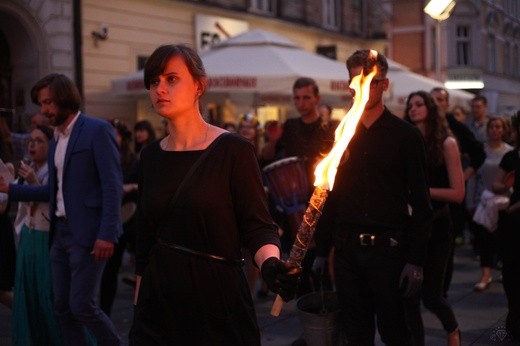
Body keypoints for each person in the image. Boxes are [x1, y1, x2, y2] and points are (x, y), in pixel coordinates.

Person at [129, 44, 300, 345]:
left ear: (199, 85)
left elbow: (258, 226)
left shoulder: (234, 150)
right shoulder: (151, 157)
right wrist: (138, 311)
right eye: (154, 81)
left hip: (217, 302)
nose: (160, 89)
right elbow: (144, 243)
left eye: (171, 78)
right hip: (160, 305)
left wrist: (272, 265)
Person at [312, 49, 432, 345]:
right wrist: (320, 249)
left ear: (385, 84)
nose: (366, 87)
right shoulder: (339, 134)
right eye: (358, 80)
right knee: (355, 332)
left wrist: (416, 260)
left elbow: (421, 203)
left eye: (374, 81)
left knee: (395, 331)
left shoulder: (405, 136)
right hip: (348, 250)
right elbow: (330, 195)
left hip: (390, 252)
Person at [0, 73, 124, 346]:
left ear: (65, 98)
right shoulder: (56, 138)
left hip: (89, 234)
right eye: (41, 103)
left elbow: (112, 186)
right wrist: (12, 189)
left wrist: (106, 234)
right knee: (62, 308)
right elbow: (51, 191)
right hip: (60, 233)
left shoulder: (96, 130)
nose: (44, 109)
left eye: (49, 102)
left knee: (82, 305)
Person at [261, 77, 335, 298]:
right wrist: (273, 140)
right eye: (297, 98)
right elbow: (266, 156)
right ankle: (308, 326)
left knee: (322, 268)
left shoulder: (329, 128)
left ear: (317, 99)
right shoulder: (290, 126)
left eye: (306, 97)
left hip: (323, 204)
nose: (301, 102)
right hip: (294, 207)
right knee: (298, 268)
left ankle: (327, 325)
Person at [404, 90, 464, 346]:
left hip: (438, 226)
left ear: (430, 108)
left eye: (419, 104)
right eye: (410, 106)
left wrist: (422, 192)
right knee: (408, 295)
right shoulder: (407, 141)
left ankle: (453, 331)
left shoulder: (446, 143)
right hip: (411, 227)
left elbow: (458, 193)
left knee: (431, 296)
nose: (413, 109)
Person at [430, 87, 486, 297]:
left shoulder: (456, 128)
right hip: (428, 194)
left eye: (439, 100)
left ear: (446, 104)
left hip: (450, 196)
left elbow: (478, 153)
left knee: (447, 244)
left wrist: (464, 175)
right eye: (432, 99)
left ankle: (441, 289)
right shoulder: (420, 127)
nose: (435, 103)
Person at [11, 125, 62, 345]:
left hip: (45, 236)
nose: (32, 144)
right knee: (27, 294)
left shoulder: (55, 170)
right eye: (30, 140)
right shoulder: (28, 167)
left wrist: (32, 180)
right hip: (28, 236)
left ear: (51, 145)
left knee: (47, 296)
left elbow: (52, 200)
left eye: (39, 140)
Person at [99, 119, 139, 316]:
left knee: (114, 268)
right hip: (105, 218)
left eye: (114, 134)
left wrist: (130, 188)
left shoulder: (133, 161)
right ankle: (102, 312)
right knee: (106, 271)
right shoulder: (99, 157)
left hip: (129, 221)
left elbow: (142, 187)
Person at [471, 117, 513, 292]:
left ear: (504, 130)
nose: (495, 130)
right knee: (484, 239)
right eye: (492, 127)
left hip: (505, 200)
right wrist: (471, 199)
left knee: (504, 238)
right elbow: (474, 176)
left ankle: (504, 269)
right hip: (485, 199)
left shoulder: (509, 152)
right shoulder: (481, 151)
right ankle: (485, 274)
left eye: (498, 127)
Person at [493, 112, 520, 341]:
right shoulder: (511, 157)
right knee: (511, 274)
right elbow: (496, 183)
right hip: (513, 224)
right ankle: (513, 322)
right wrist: (505, 187)